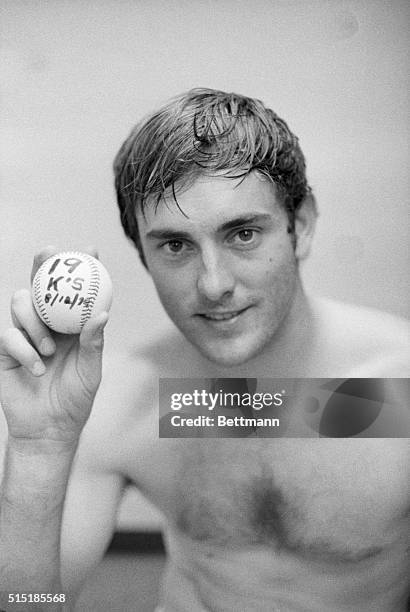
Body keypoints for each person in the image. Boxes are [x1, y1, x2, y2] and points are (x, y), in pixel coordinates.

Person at [0, 88, 409, 611]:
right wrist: (40, 447)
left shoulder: (396, 387)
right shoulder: (132, 401)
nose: (213, 285)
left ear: (299, 226)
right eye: (175, 246)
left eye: (242, 234)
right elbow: (29, 605)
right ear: (143, 256)